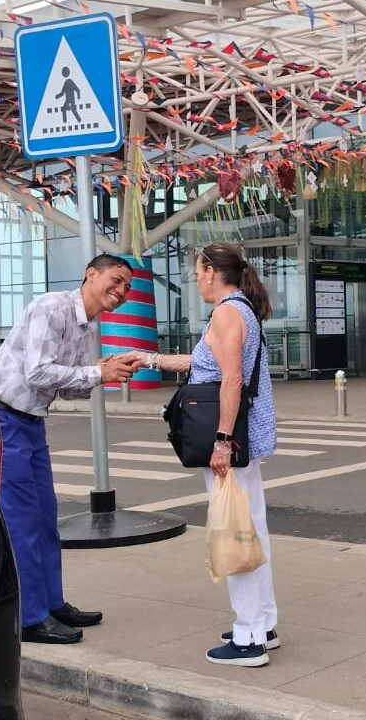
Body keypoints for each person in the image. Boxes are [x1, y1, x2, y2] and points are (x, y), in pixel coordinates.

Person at [0, 254, 142, 644]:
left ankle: (52, 604)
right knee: (22, 523)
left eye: (127, 287)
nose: (121, 292)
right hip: (5, 419)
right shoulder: (51, 307)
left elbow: (66, 386)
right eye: (116, 280)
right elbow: (36, 372)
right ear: (91, 273)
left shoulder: (88, 325)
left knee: (44, 519)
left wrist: (102, 370)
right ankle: (30, 618)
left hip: (31, 422)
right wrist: (96, 372)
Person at [140, 242, 277, 667]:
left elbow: (231, 380)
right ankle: (265, 625)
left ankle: (248, 636)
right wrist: (152, 358)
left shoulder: (226, 313)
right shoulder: (240, 310)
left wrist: (221, 442)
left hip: (230, 441)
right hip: (245, 439)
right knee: (252, 526)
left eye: (197, 271)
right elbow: (208, 365)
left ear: (212, 272)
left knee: (236, 532)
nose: (195, 279)